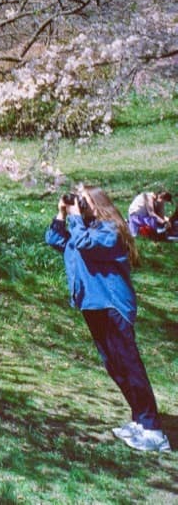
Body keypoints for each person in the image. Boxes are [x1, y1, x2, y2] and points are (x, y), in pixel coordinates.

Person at [46, 184, 170, 452]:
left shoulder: (110, 231)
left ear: (98, 204)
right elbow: (55, 240)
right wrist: (62, 214)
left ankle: (153, 429)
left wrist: (76, 217)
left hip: (112, 305)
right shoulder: (84, 230)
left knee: (129, 364)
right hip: (93, 305)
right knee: (115, 366)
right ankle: (139, 419)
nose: (81, 204)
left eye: (85, 201)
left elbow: (85, 244)